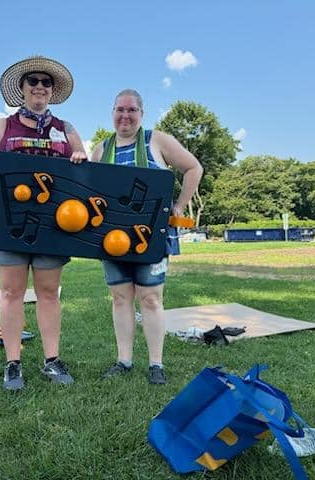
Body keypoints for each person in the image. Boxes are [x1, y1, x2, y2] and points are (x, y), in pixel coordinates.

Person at [0, 56, 88, 390]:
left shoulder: (67, 129)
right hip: (10, 222)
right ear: (21, 88)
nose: (39, 87)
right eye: (32, 81)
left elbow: (83, 167)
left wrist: (78, 158)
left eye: (45, 82)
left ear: (52, 90)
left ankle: (51, 361)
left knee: (49, 292)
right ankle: (13, 363)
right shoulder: (2, 127)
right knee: (11, 292)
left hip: (54, 224)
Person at [91, 89, 203, 385]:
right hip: (112, 237)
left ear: (142, 113)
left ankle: (156, 364)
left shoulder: (158, 140)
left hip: (151, 235)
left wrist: (178, 206)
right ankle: (123, 360)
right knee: (120, 297)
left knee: (151, 299)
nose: (125, 115)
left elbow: (194, 168)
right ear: (112, 112)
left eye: (131, 110)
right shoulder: (101, 150)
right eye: (119, 110)